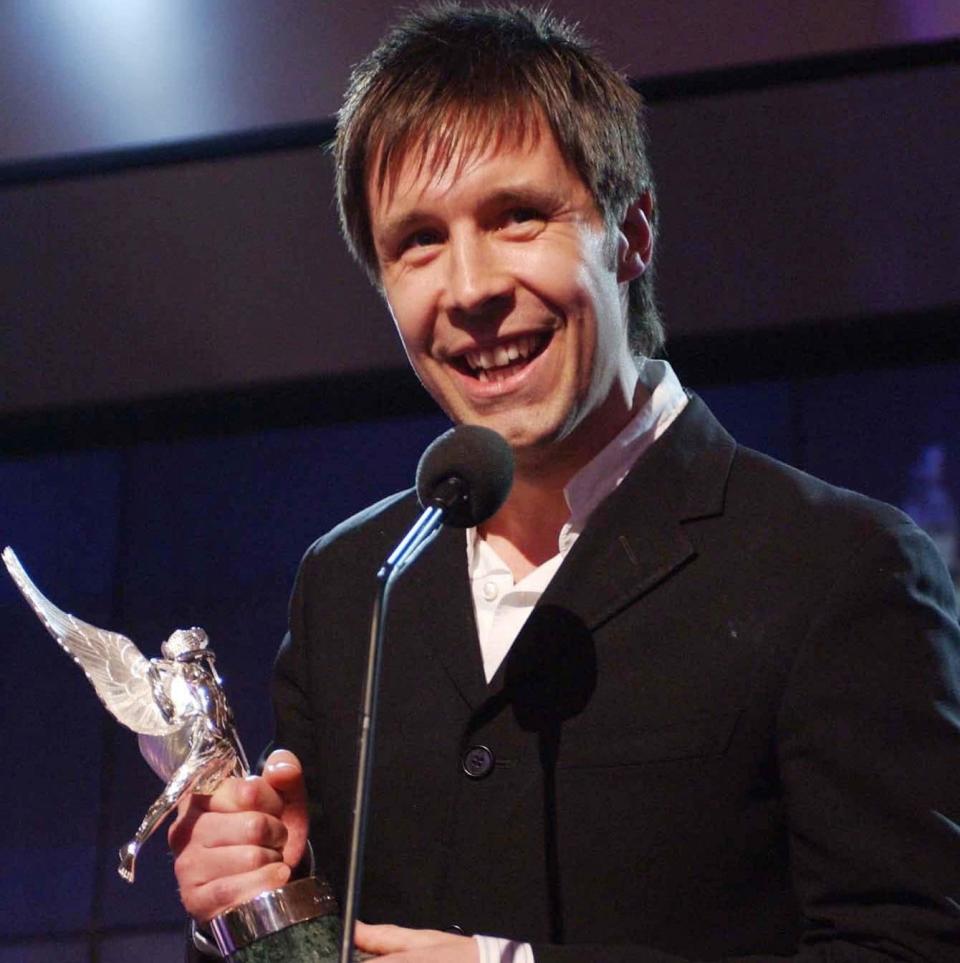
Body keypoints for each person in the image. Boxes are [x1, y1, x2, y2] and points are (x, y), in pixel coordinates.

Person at [171, 5, 960, 961]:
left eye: (516, 217)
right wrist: (264, 911)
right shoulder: (351, 586)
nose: (468, 288)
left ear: (631, 235)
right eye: (418, 241)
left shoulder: (841, 569)